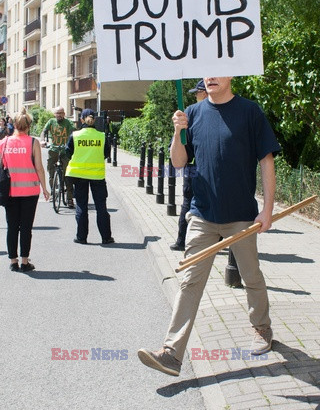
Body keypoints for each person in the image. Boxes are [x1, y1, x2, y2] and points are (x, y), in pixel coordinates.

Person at [138, 76, 281, 376]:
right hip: (202, 215)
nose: (210, 77)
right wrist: (178, 132)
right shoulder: (191, 114)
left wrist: (267, 209)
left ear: (231, 74)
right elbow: (178, 162)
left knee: (251, 276)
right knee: (190, 282)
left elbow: (267, 160)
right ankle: (171, 353)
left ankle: (262, 329)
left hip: (241, 215)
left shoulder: (249, 111)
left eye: (218, 70)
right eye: (206, 71)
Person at [0, 108, 50, 272]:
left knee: (12, 226)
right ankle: (25, 261)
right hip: (29, 191)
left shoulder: (4, 142)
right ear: (29, 126)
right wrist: (45, 188)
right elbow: (40, 168)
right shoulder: (33, 142)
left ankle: (13, 262)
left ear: (13, 125)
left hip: (9, 192)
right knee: (26, 227)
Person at [65, 109, 114, 245]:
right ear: (94, 120)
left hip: (78, 175)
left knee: (81, 206)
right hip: (97, 175)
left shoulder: (75, 135)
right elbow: (106, 154)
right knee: (101, 207)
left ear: (82, 120)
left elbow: (68, 152)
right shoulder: (102, 136)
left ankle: (81, 237)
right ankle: (106, 238)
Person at [170, 79, 207, 251]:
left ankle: (181, 241)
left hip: (194, 169)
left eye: (198, 93)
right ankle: (182, 240)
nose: (196, 97)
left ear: (204, 93)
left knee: (188, 204)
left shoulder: (197, 115)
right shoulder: (193, 114)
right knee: (189, 204)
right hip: (193, 168)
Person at [40, 106, 75, 208]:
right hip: (53, 149)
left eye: (60, 113)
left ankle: (69, 198)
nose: (58, 115)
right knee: (51, 172)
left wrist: (71, 142)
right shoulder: (51, 121)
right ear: (54, 114)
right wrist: (42, 140)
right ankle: (53, 192)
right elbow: (44, 131)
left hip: (65, 151)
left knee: (67, 174)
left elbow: (73, 132)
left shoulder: (68, 122)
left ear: (64, 114)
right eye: (57, 113)